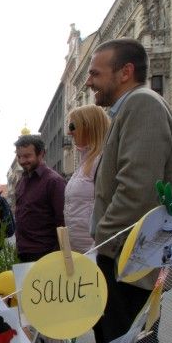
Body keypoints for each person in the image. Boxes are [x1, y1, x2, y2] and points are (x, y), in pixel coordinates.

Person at [87, 38, 172, 343]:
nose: (89, 82)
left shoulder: (142, 104)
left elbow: (137, 189)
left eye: (95, 73)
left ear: (125, 72)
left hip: (128, 255)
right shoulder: (128, 110)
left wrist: (104, 240)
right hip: (127, 253)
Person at [63, 105, 111, 253]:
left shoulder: (103, 160)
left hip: (94, 253)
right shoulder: (85, 162)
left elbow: (110, 209)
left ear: (88, 126)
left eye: (72, 126)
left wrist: (95, 250)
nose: (69, 132)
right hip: (79, 254)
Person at [13, 134, 66, 263]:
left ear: (41, 154)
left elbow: (62, 221)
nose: (22, 161)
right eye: (19, 156)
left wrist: (59, 254)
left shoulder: (54, 181)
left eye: (27, 156)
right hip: (24, 252)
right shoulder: (22, 181)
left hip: (45, 254)